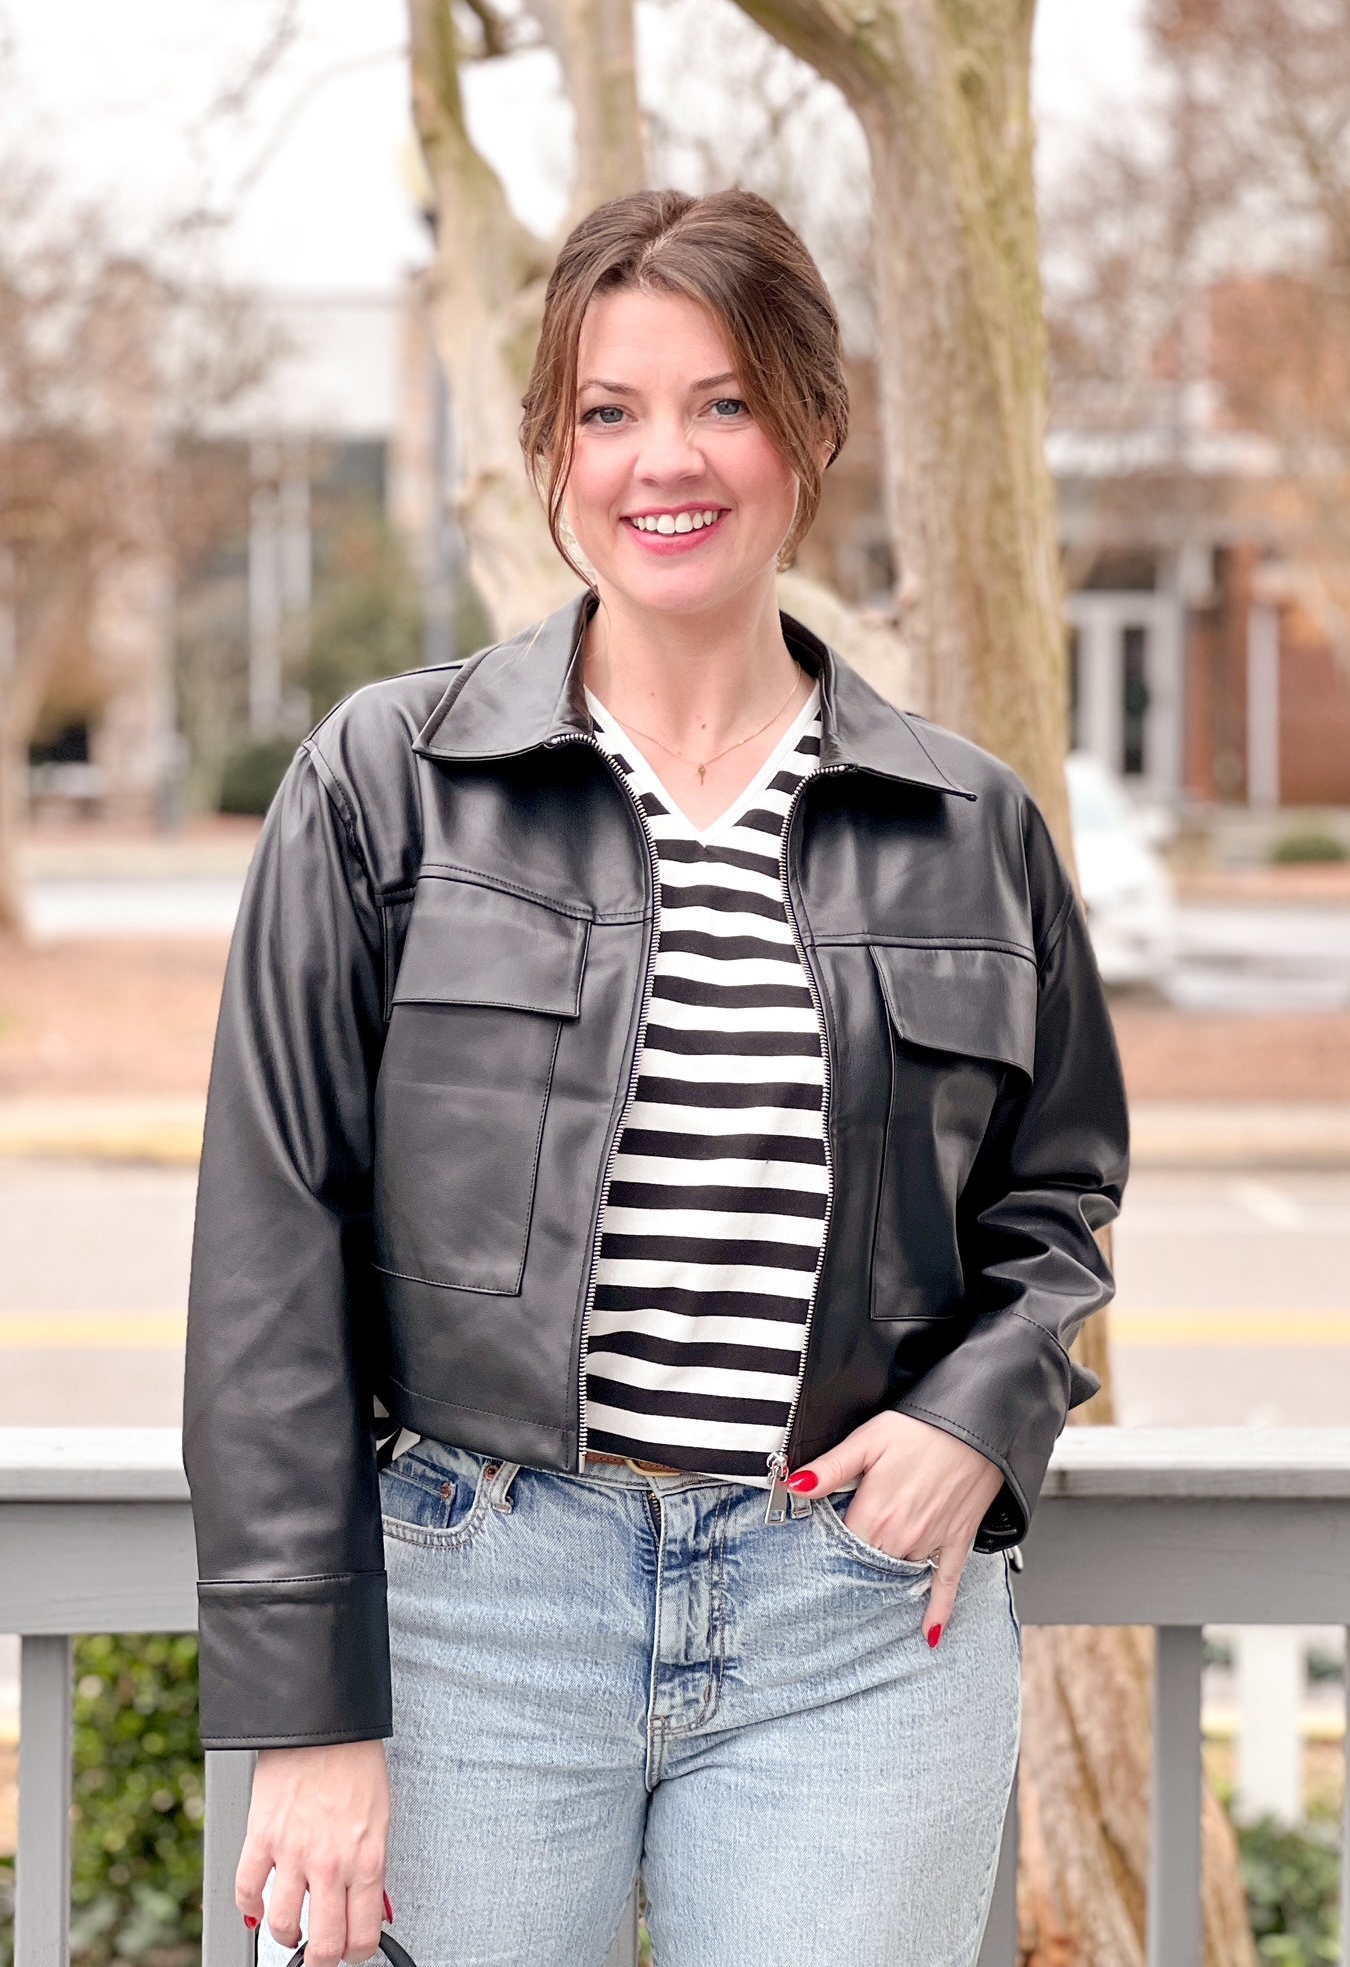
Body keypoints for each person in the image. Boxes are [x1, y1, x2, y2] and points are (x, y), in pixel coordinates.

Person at [181, 185, 1130, 1967]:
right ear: (549, 450)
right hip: (471, 1604)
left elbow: (1058, 1198)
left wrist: (974, 1418)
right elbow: (269, 1254)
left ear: (810, 428)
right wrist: (307, 1713)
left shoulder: (967, 822)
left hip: (853, 1623)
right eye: (606, 410)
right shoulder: (386, 783)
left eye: (722, 401)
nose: (661, 460)